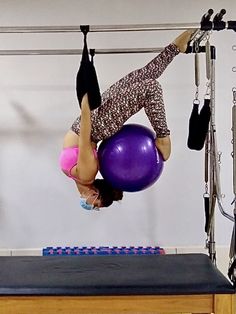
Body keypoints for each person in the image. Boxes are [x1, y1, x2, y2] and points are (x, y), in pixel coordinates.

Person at [60, 30, 194, 210]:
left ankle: (176, 48)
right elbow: (84, 137)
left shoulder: (81, 177)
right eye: (96, 206)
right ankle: (163, 137)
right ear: (96, 193)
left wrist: (86, 101)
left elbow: (83, 136)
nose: (91, 206)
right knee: (150, 88)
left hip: (95, 119)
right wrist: (85, 102)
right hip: (99, 123)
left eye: (94, 206)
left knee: (143, 76)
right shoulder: (86, 175)